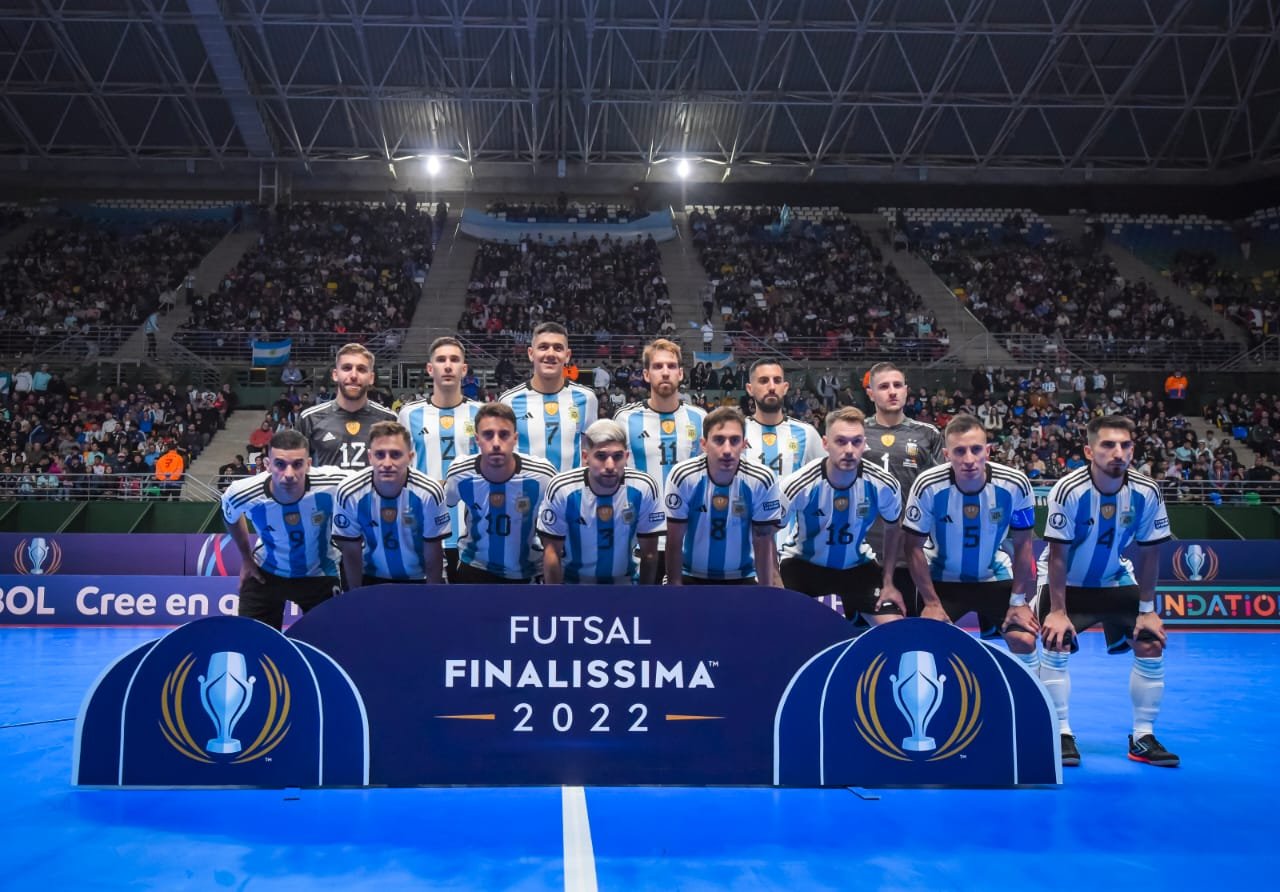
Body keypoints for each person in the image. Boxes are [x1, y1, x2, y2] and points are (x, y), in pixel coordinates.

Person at [1036, 415, 1178, 769]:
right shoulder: (1068, 490)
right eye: (1108, 445)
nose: (1118, 452)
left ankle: (1143, 736)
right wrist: (1057, 611)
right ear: (1089, 451)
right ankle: (1060, 732)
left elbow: (1150, 554)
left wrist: (1147, 610)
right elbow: (1057, 555)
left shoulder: (1147, 491)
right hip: (1066, 583)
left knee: (1150, 641)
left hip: (1115, 578)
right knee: (1056, 641)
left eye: (1125, 445)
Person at [902, 413, 1039, 667]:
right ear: (946, 455)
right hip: (942, 579)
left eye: (976, 449)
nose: (968, 459)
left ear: (987, 450)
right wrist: (931, 602)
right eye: (959, 451)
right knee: (928, 641)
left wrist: (1018, 602)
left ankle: (1034, 691)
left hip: (994, 576)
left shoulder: (1015, 484)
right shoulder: (928, 485)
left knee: (1024, 639)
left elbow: (1024, 544)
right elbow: (912, 548)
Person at [778, 407, 906, 624]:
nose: (849, 450)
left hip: (857, 568)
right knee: (793, 629)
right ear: (825, 443)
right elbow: (764, 534)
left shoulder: (884, 484)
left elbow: (894, 529)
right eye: (840, 441)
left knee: (895, 631)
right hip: (803, 567)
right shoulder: (798, 484)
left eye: (856, 442)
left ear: (864, 444)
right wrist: (774, 584)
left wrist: (888, 582)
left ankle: (860, 610)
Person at [220, 429, 348, 631]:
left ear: (308, 464)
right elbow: (230, 517)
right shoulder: (241, 492)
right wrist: (246, 558)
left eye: (297, 464)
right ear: (267, 465)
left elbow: (369, 482)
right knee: (252, 643)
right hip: (264, 573)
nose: (289, 474)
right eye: (280, 464)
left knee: (330, 643)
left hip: (320, 573)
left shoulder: (335, 482)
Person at [860, 362, 954, 621]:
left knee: (916, 630)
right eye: (883, 386)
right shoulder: (856, 433)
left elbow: (942, 491)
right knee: (873, 631)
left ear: (906, 390)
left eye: (897, 385)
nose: (892, 391)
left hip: (913, 553)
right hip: (865, 552)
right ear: (870, 393)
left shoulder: (927, 434)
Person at [664, 407, 783, 586]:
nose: (727, 449)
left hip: (743, 575)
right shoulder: (683, 476)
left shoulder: (762, 479)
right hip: (690, 573)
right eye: (719, 440)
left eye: (734, 440)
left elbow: (763, 541)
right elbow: (674, 539)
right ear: (704, 444)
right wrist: (675, 588)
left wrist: (765, 593)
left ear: (744, 444)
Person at [397, 336, 483, 580]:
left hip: (471, 531)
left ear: (463, 369)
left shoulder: (481, 413)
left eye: (454, 360)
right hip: (423, 529)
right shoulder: (408, 414)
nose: (447, 366)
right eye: (441, 360)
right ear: (429, 368)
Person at [538, 419, 664, 585]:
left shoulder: (644, 487)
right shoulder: (562, 489)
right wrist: (556, 597)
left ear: (626, 457)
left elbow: (650, 554)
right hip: (572, 585)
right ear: (585, 457)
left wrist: (643, 596)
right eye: (601, 456)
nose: (610, 465)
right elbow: (552, 552)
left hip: (625, 585)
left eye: (617, 456)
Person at [443, 402, 557, 584]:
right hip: (475, 567)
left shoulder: (542, 475)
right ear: (477, 439)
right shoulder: (460, 473)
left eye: (504, 435)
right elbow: (446, 501)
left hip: (528, 571)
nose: (496, 443)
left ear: (515, 438)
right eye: (488, 435)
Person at [333, 421, 450, 587]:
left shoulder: (429, 492)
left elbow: (434, 555)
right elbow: (351, 553)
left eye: (395, 455)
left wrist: (431, 596)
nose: (387, 463)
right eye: (380, 455)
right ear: (370, 457)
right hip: (371, 577)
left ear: (410, 457)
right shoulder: (349, 492)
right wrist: (355, 596)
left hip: (420, 577)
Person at [499, 321, 598, 473]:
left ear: (567, 355)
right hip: (526, 487)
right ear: (531, 353)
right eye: (543, 347)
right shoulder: (508, 401)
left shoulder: (586, 398)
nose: (550, 354)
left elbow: (591, 449)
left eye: (558, 348)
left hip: (571, 487)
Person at [297, 343, 395, 469]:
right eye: (347, 368)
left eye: (361, 369)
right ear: (335, 375)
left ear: (371, 378)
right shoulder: (310, 419)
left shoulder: (389, 420)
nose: (353, 375)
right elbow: (296, 468)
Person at [742, 359, 824, 479]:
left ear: (785, 388)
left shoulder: (807, 433)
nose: (772, 387)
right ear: (750, 389)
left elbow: (826, 478)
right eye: (764, 381)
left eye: (777, 380)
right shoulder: (737, 432)